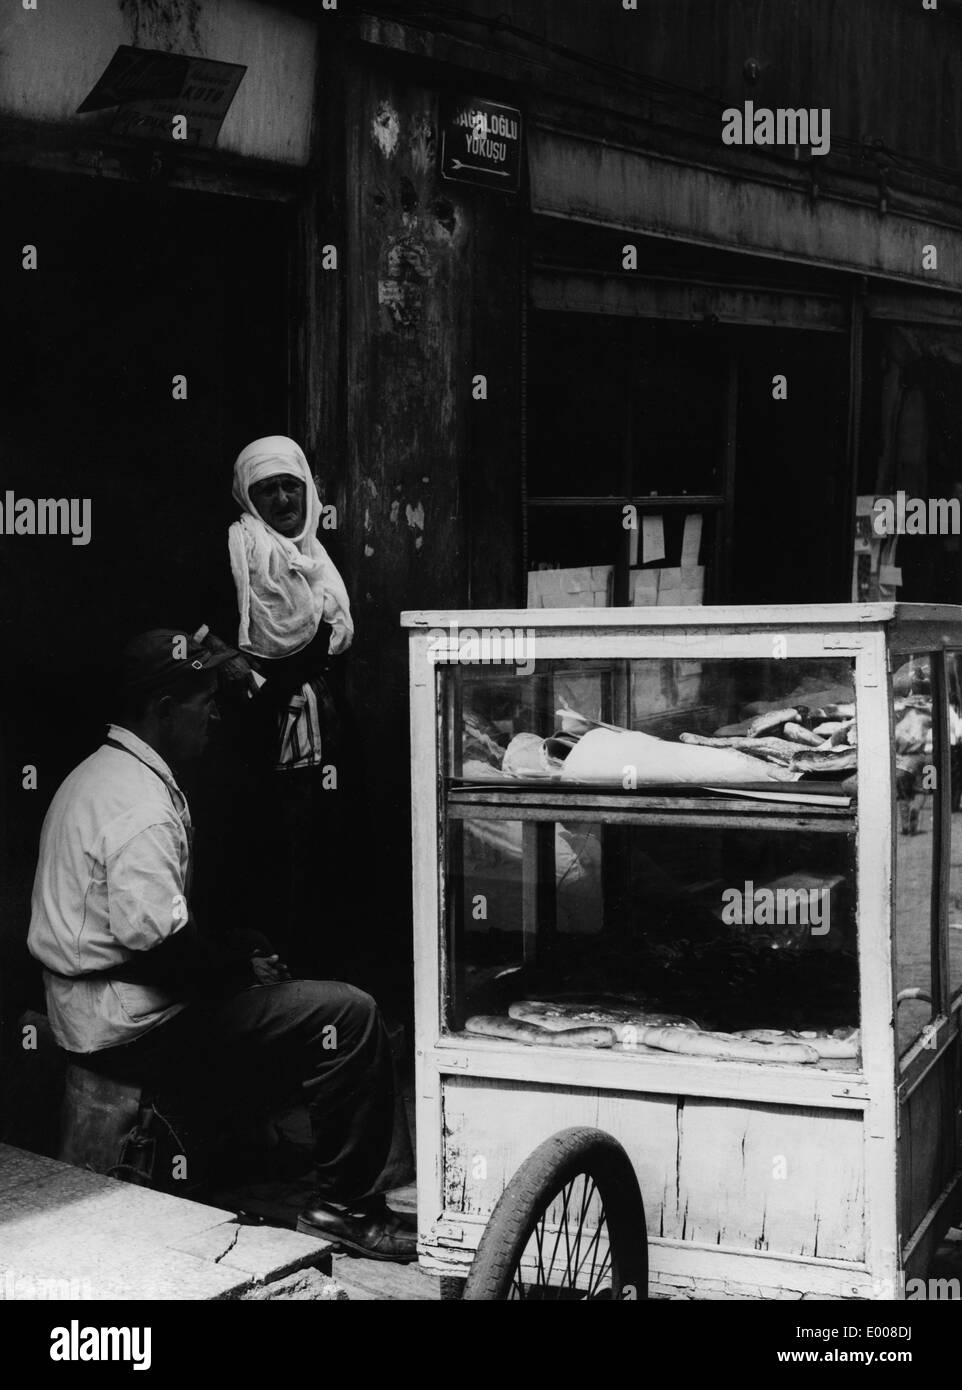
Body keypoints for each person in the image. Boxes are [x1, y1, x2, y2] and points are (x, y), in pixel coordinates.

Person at [27, 629, 416, 1262]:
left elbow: (148, 929)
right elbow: (165, 957)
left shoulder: (103, 774)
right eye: (204, 700)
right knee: (349, 1014)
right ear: (162, 709)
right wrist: (239, 965)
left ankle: (263, 1156)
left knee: (273, 988)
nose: (213, 714)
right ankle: (345, 1209)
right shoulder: (138, 807)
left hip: (104, 1009)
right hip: (131, 1033)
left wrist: (236, 950)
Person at [213, 435, 360, 979]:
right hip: (257, 737)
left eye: (290, 487)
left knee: (326, 857)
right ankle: (277, 986)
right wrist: (237, 664)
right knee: (269, 860)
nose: (281, 500)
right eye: (267, 490)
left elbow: (332, 644)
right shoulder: (237, 549)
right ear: (248, 498)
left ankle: (323, 982)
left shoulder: (321, 557)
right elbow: (205, 628)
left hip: (323, 737)